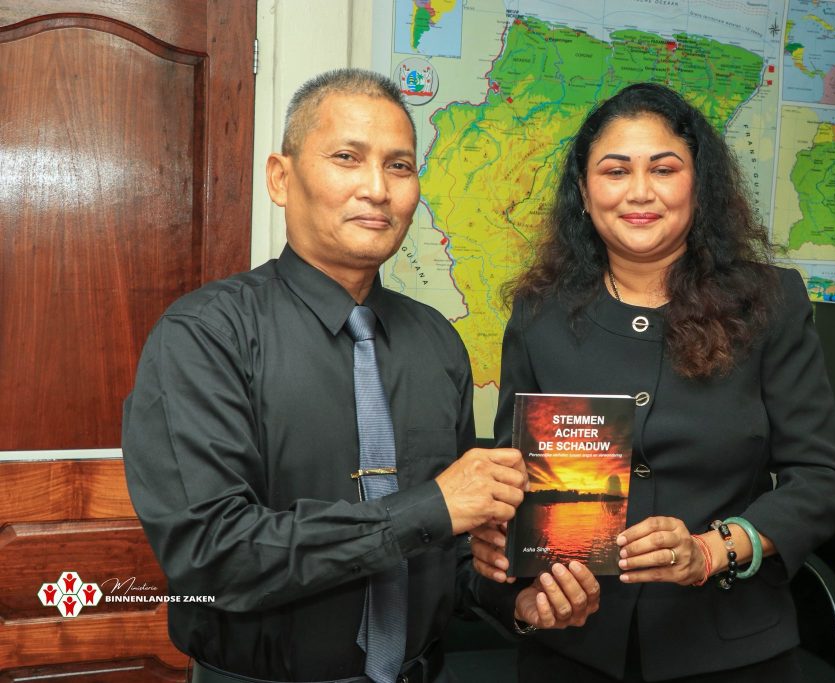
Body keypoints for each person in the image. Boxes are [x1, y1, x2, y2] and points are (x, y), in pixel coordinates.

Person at [122, 68, 539, 683]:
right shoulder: (205, 335)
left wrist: (512, 599)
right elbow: (212, 555)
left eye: (399, 166)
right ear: (280, 178)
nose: (377, 188)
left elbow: (449, 546)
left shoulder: (437, 343)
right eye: (347, 157)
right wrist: (428, 509)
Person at [468, 82, 835, 682]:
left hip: (732, 651)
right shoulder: (538, 314)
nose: (640, 192)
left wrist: (712, 550)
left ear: (699, 184)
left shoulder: (768, 303)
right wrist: (502, 546)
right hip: (573, 648)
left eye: (664, 169)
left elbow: (823, 479)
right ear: (584, 191)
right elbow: (513, 481)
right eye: (615, 171)